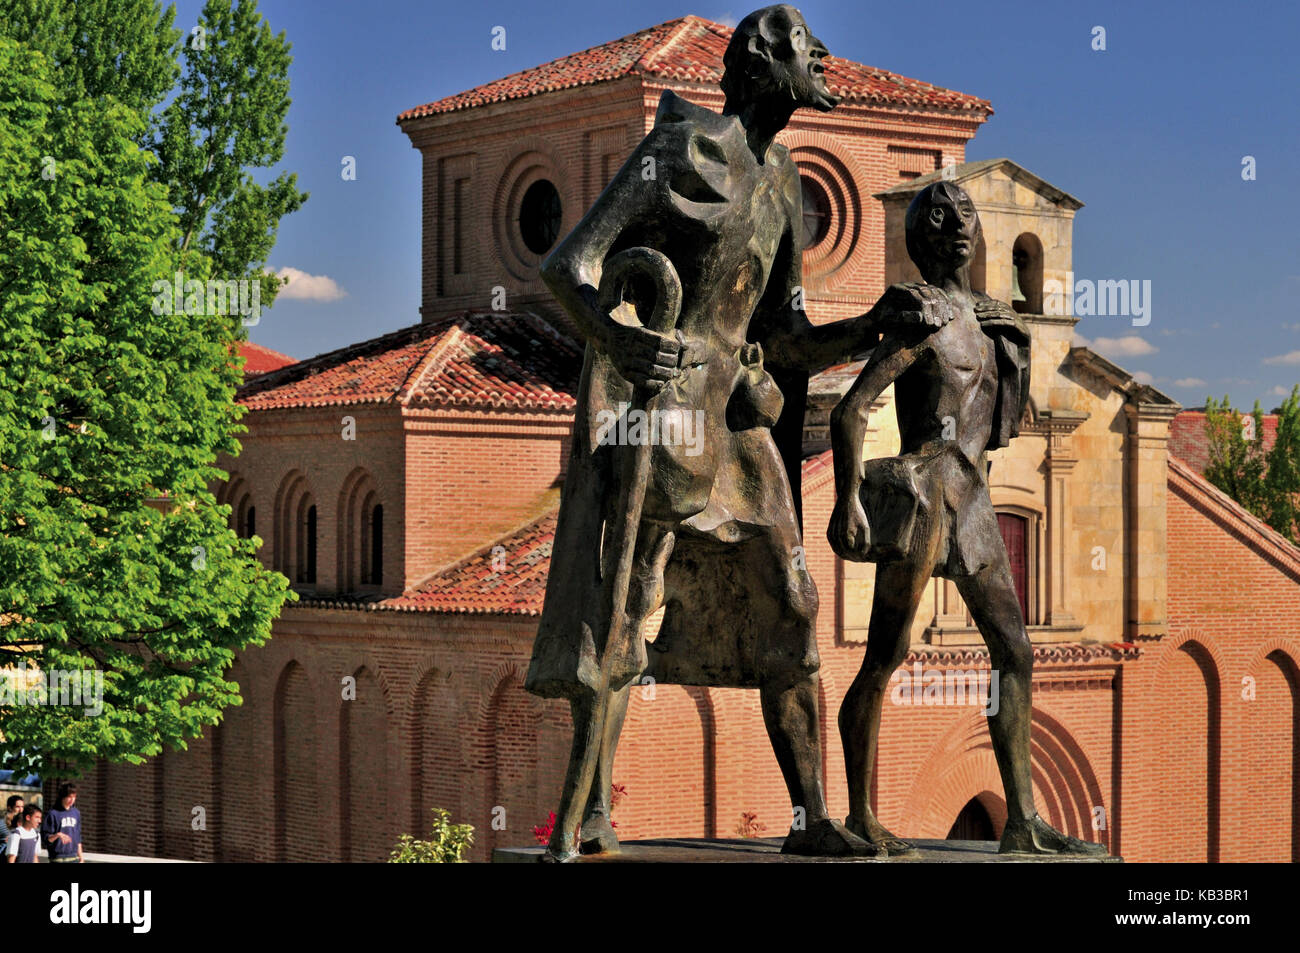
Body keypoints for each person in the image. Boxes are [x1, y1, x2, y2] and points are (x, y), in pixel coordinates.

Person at [527, 4, 940, 861]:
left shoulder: (785, 177)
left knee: (792, 604)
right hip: (663, 414)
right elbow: (569, 266)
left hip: (740, 426)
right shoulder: (678, 150)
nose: (822, 55)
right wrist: (621, 339)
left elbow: (785, 333)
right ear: (761, 65)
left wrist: (869, 323)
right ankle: (594, 808)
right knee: (628, 608)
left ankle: (812, 819)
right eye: (802, 44)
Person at [828, 180, 1105, 855]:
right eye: (940, 219)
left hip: (974, 503)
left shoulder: (993, 322)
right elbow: (850, 408)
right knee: (884, 657)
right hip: (925, 496)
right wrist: (848, 498)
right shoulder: (918, 319)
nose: (956, 228)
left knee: (1015, 651)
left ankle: (1022, 821)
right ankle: (860, 814)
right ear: (920, 239)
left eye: (966, 217)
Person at [41, 783, 82, 863]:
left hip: (73, 857)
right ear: (62, 796)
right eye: (69, 797)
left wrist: (81, 857)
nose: (72, 800)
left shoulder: (76, 813)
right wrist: (57, 835)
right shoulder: (53, 814)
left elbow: (78, 837)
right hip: (58, 858)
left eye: (74, 797)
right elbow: (46, 839)